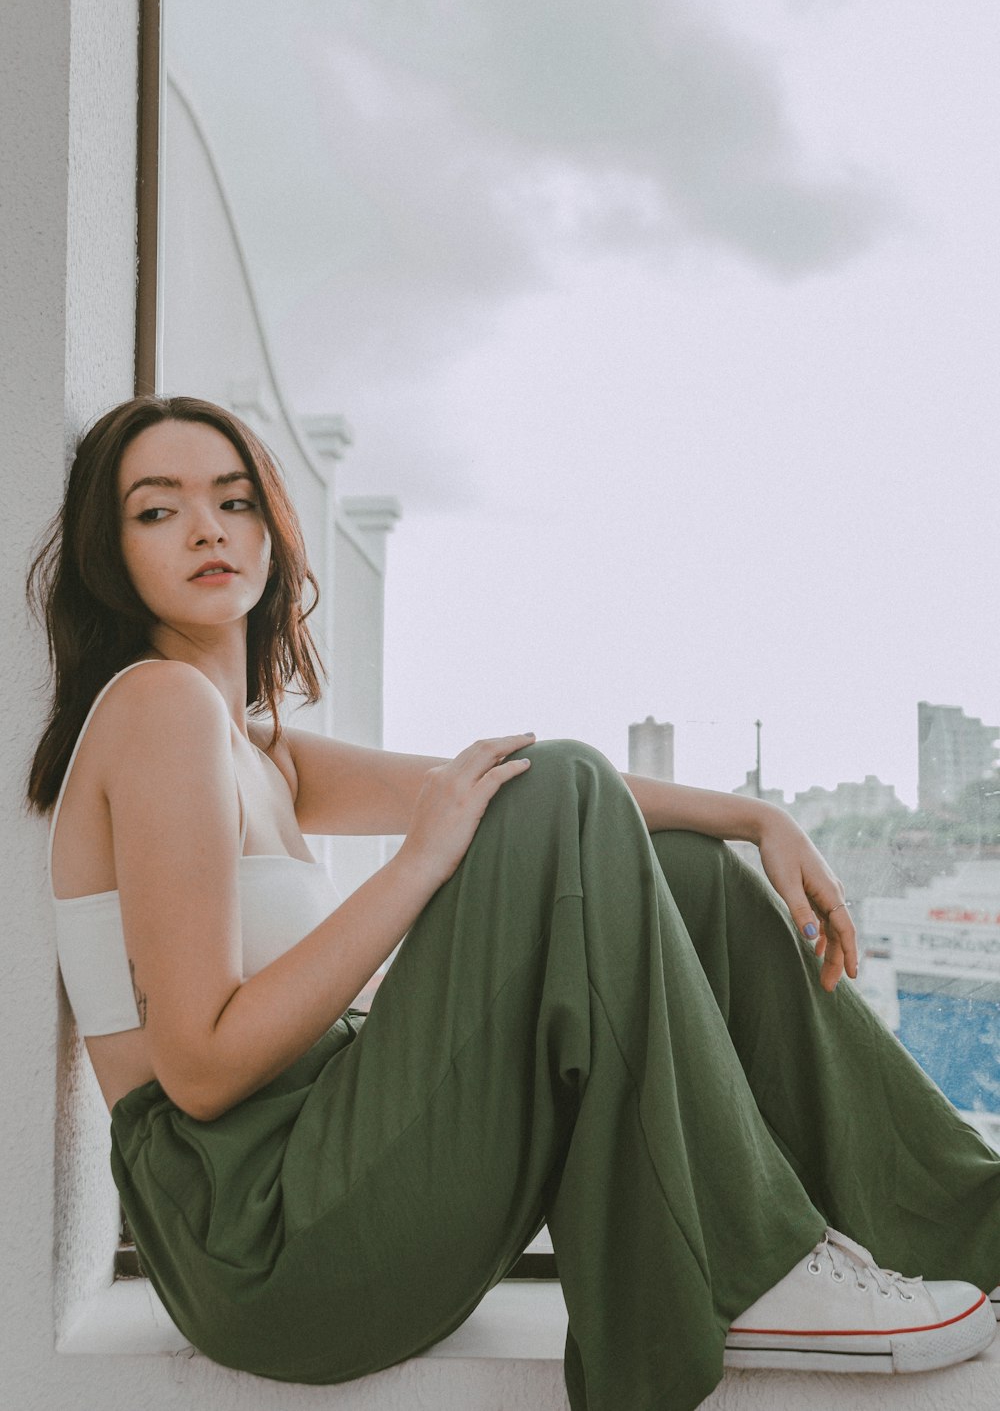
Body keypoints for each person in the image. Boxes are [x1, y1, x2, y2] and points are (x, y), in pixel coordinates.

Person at [26, 394, 1000, 1411]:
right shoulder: (156, 707)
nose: (206, 529)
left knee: (692, 876)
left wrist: (750, 817)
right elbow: (201, 1071)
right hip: (259, 1239)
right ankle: (753, 1266)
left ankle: (967, 1232)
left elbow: (503, 785)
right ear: (110, 550)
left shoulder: (257, 750)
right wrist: (419, 865)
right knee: (568, 787)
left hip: (346, 1191)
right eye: (157, 511)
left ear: (273, 530)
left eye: (234, 501)